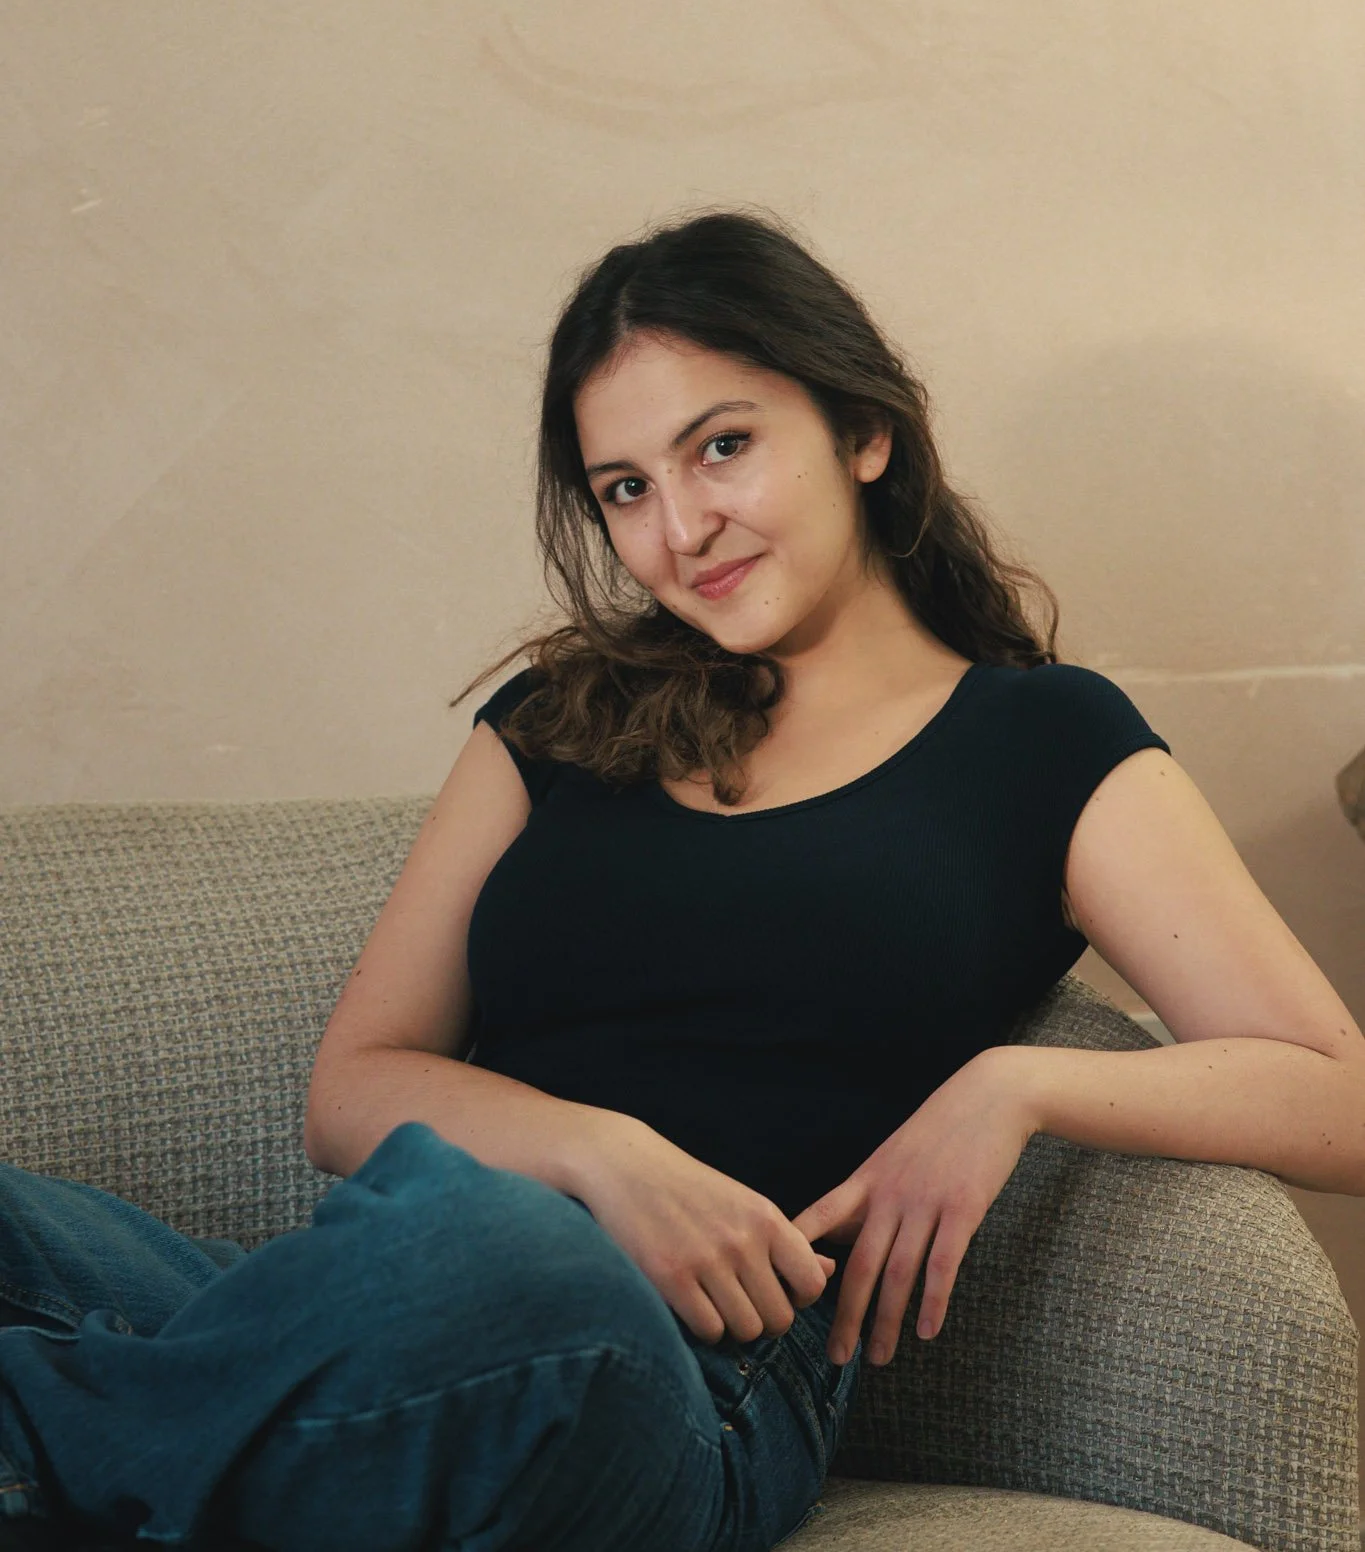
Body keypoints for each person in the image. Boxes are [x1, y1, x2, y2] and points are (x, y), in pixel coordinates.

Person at [4, 206, 1364, 1552]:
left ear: (864, 432)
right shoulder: (557, 720)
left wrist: (1018, 1086)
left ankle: (83, 1445)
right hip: (372, 1310)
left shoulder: (1043, 741)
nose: (682, 528)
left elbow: (1341, 1096)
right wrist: (604, 1156)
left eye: (723, 447)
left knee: (507, 1256)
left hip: (683, 1378)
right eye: (626, 489)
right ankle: (206, 1456)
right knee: (420, 1233)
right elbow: (354, 1089)